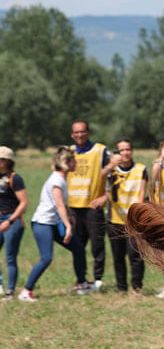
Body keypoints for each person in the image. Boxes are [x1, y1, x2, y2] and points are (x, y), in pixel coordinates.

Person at [19, 147, 91, 302]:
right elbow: (59, 206)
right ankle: (26, 291)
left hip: (52, 223)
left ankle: (82, 283)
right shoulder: (57, 181)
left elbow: (61, 205)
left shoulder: (62, 178)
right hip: (42, 223)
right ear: (66, 162)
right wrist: (68, 226)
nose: (76, 163)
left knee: (78, 249)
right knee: (46, 258)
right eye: (73, 160)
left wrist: (69, 217)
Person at [96, 138, 147, 293]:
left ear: (132, 151)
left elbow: (142, 193)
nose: (125, 153)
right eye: (121, 150)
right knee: (118, 256)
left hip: (133, 220)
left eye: (128, 149)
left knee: (135, 255)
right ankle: (121, 287)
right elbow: (99, 178)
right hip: (114, 219)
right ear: (116, 152)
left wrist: (137, 217)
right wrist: (110, 165)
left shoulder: (141, 169)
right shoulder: (112, 171)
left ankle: (137, 287)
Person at [68, 120, 111, 290]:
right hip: (73, 207)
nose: (80, 135)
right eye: (76, 132)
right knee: (77, 246)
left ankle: (98, 280)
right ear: (72, 135)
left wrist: (106, 196)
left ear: (88, 133)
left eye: (82, 131)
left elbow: (116, 174)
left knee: (97, 245)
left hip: (93, 207)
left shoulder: (100, 150)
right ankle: (81, 280)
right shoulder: (68, 152)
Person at [0, 146, 28, 300]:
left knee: (10, 257)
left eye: (1, 159)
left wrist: (9, 221)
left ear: (7, 161)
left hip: (13, 218)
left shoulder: (15, 179)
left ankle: (10, 292)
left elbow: (24, 203)